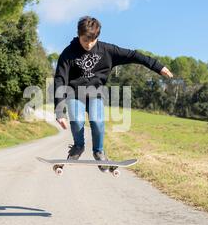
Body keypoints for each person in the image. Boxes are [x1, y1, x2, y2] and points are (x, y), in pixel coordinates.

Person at [54, 16, 173, 171]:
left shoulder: (107, 51)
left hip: (95, 94)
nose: (89, 44)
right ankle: (78, 147)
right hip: (74, 94)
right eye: (85, 41)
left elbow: (133, 55)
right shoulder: (68, 53)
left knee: (97, 122)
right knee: (77, 121)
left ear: (97, 37)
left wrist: (158, 66)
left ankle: (99, 151)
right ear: (78, 35)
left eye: (93, 40)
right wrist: (59, 111)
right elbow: (60, 79)